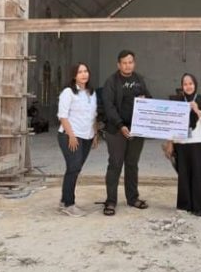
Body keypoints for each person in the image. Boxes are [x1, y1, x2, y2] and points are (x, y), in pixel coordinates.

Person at [102, 49, 152, 216]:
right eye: (124, 62)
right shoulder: (111, 81)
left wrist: (147, 100)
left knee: (132, 164)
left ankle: (132, 198)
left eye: (130, 62)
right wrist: (120, 125)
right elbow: (109, 106)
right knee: (115, 164)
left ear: (134, 63)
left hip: (137, 130)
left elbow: (149, 99)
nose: (127, 65)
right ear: (119, 64)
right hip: (116, 130)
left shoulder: (139, 80)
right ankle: (111, 201)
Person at [163, 74, 201, 216]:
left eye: (190, 83)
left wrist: (197, 110)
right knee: (183, 175)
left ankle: (198, 208)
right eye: (185, 84)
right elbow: (171, 123)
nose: (188, 86)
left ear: (195, 84)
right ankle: (184, 206)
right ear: (182, 86)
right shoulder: (177, 101)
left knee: (198, 174)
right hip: (181, 143)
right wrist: (170, 143)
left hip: (199, 143)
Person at [56, 62, 99, 217]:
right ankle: (69, 204)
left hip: (87, 136)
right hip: (70, 136)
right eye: (80, 72)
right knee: (73, 167)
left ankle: (64, 201)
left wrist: (95, 134)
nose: (84, 74)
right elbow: (63, 116)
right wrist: (72, 136)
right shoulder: (68, 92)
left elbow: (93, 115)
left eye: (86, 71)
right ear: (74, 75)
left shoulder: (91, 93)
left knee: (75, 169)